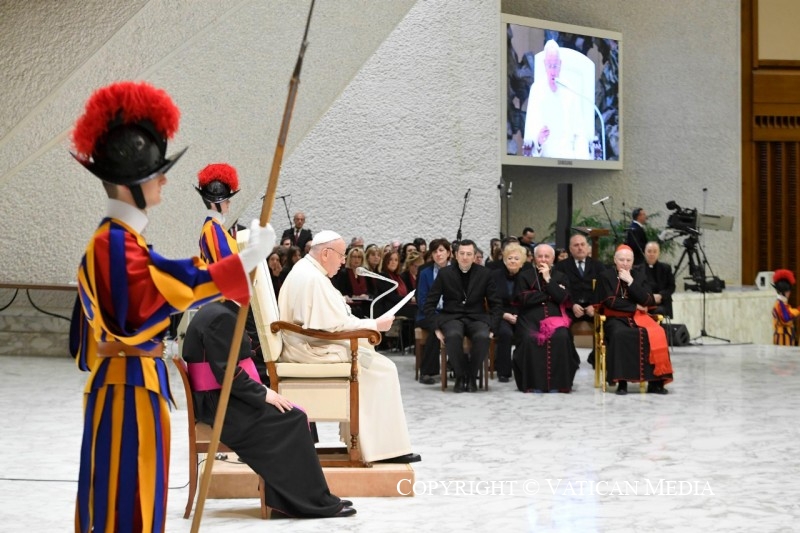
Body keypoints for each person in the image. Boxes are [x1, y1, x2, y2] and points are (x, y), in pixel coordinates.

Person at [68, 81, 273, 533]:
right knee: (124, 508)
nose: (164, 180)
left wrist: (238, 263)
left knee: (140, 502)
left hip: (135, 384)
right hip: (125, 390)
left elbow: (164, 278)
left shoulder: (124, 243)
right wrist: (242, 264)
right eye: (154, 173)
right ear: (133, 184)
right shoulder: (113, 245)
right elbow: (157, 291)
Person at [182, 300, 356, 518]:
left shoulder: (218, 310)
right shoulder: (221, 318)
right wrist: (263, 393)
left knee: (292, 416)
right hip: (221, 406)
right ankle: (307, 502)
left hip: (221, 399)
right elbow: (227, 373)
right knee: (291, 420)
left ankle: (301, 498)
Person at [278, 230, 420, 464]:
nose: (344, 261)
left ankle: (371, 444)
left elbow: (329, 321)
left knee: (377, 363)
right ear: (325, 253)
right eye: (342, 255)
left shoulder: (308, 271)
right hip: (311, 348)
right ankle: (381, 450)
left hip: (309, 342)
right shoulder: (313, 278)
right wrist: (375, 324)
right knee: (382, 369)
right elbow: (333, 327)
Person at [423, 239, 502, 393]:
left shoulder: (485, 274)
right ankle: (460, 376)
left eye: (469, 254)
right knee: (452, 335)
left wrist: (493, 327)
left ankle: (471, 376)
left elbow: (496, 304)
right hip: (451, 317)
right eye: (462, 253)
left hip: (477, 317)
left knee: (482, 336)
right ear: (455, 255)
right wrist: (436, 328)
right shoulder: (445, 274)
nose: (465, 257)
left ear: (474, 256)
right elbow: (429, 304)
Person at [595, 245, 672, 395]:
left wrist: (631, 282)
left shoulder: (639, 275)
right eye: (621, 259)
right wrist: (635, 306)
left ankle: (655, 382)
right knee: (620, 334)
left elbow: (649, 300)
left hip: (640, 318)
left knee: (658, 332)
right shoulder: (606, 276)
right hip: (615, 318)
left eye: (628, 260)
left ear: (633, 261)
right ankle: (621, 382)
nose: (625, 263)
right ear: (614, 260)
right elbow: (610, 301)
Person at [512, 244, 580, 393]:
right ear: (534, 258)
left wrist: (549, 280)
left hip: (556, 317)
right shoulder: (524, 276)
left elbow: (563, 298)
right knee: (529, 338)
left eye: (547, 256)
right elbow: (524, 298)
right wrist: (550, 294)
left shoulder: (561, 276)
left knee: (561, 337)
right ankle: (532, 383)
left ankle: (559, 383)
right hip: (530, 317)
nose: (543, 259)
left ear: (553, 258)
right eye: (540, 256)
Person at [523, 39, 591, 159]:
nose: (553, 71)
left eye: (555, 66)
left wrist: (581, 164)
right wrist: (538, 140)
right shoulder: (537, 90)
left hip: (569, 160)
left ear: (560, 65)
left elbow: (580, 134)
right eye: (550, 66)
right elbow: (530, 133)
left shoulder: (570, 89)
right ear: (544, 65)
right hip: (545, 162)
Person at [554, 233, 605, 366]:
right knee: (562, 329)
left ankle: (595, 358)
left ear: (588, 248)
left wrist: (594, 305)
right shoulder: (561, 267)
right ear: (570, 249)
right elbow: (559, 290)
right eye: (576, 245)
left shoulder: (598, 266)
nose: (580, 248)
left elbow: (603, 289)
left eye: (583, 245)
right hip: (570, 307)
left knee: (606, 326)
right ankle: (572, 359)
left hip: (592, 308)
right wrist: (572, 304)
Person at [415, 238, 452, 385]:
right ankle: (428, 371)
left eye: (441, 250)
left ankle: (457, 365)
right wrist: (436, 314)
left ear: (449, 253)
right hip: (428, 314)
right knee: (435, 328)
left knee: (460, 325)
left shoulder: (456, 271)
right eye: (435, 251)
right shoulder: (425, 273)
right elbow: (422, 300)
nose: (438, 254)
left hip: (449, 313)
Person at [491, 242, 527, 383]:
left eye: (516, 259)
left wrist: (519, 316)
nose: (513, 261)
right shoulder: (494, 276)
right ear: (505, 260)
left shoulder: (526, 277)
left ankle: (523, 368)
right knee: (506, 334)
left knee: (527, 333)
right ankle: (503, 372)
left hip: (521, 315)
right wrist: (504, 315)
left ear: (522, 263)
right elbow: (491, 301)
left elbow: (529, 300)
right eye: (510, 258)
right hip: (501, 315)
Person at [196, 163, 240, 264]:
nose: (229, 202)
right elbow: (229, 264)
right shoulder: (212, 228)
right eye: (226, 199)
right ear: (214, 203)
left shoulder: (214, 226)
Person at [643, 241, 676, 317]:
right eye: (649, 251)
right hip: (644, 302)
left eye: (655, 251)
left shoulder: (666, 268)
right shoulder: (638, 269)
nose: (652, 254)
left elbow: (671, 287)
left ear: (658, 253)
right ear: (644, 252)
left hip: (661, 303)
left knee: (659, 311)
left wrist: (661, 295)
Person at [772, 269, 800, 346]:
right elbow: (786, 317)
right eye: (788, 291)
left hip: (786, 337)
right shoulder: (780, 304)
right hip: (782, 338)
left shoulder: (782, 303)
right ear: (785, 292)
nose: (789, 293)